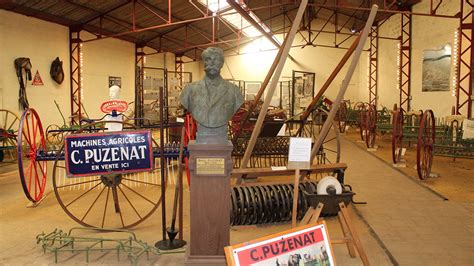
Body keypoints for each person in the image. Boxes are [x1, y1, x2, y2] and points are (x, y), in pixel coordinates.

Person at [180, 47, 244, 144]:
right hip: (202, 135)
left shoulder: (234, 91)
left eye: (216, 59)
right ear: (203, 63)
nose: (212, 63)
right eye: (208, 59)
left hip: (221, 136)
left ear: (222, 63)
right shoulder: (190, 90)